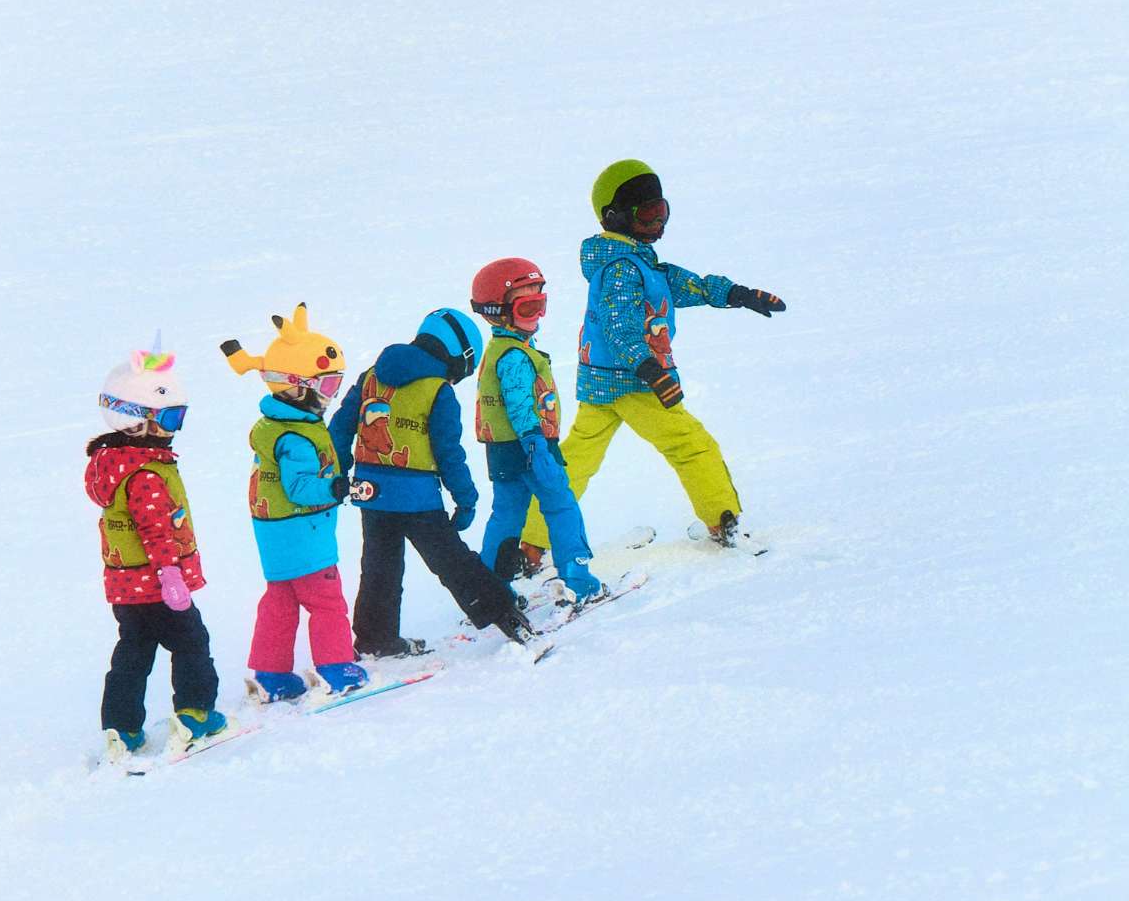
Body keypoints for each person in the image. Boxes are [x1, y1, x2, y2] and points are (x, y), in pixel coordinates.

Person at [536, 159, 787, 551]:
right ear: (615, 216)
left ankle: (531, 539)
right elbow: (621, 328)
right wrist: (651, 370)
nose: (657, 224)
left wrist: (738, 294)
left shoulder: (637, 262)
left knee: (578, 457)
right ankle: (723, 519)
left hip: (600, 380)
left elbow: (690, 285)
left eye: (662, 211)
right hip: (635, 381)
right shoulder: (622, 269)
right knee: (690, 444)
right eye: (647, 214)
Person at [329, 309, 536, 657]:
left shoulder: (371, 376)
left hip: (371, 494)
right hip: (417, 499)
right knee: (451, 560)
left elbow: (340, 427)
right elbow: (448, 453)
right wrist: (465, 498)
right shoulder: (438, 391)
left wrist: (337, 471)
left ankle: (376, 638)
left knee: (380, 567)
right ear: (459, 356)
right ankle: (503, 611)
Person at [218, 305, 366, 703]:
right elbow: (300, 487)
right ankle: (337, 668)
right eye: (329, 386)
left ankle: (271, 674)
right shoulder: (297, 437)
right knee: (326, 602)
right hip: (304, 533)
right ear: (296, 385)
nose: (330, 396)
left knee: (280, 601)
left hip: (275, 535)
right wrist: (335, 488)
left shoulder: (275, 427)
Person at [86, 341, 226, 760]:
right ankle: (196, 715)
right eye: (168, 417)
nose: (174, 427)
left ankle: (122, 727)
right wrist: (170, 576)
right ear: (135, 421)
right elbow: (156, 530)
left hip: (124, 586)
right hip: (159, 586)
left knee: (133, 650)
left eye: (178, 416)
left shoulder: (113, 464)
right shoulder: (146, 473)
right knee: (191, 643)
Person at [470, 258, 604, 598]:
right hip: (532, 447)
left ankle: (491, 588)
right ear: (495, 311)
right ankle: (578, 580)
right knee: (561, 506)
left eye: (541, 305)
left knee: (506, 516)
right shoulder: (514, 356)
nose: (538, 316)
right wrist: (535, 444)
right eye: (528, 308)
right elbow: (519, 404)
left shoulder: (500, 349)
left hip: (502, 451)